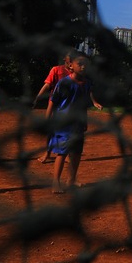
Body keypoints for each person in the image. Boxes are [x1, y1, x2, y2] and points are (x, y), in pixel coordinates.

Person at [45, 52, 95, 193]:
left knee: (76, 153)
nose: (84, 67)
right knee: (62, 153)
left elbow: (84, 105)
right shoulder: (64, 82)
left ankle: (71, 180)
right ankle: (56, 182)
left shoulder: (87, 84)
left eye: (86, 64)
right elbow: (53, 102)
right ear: (70, 66)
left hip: (78, 124)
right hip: (63, 125)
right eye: (80, 64)